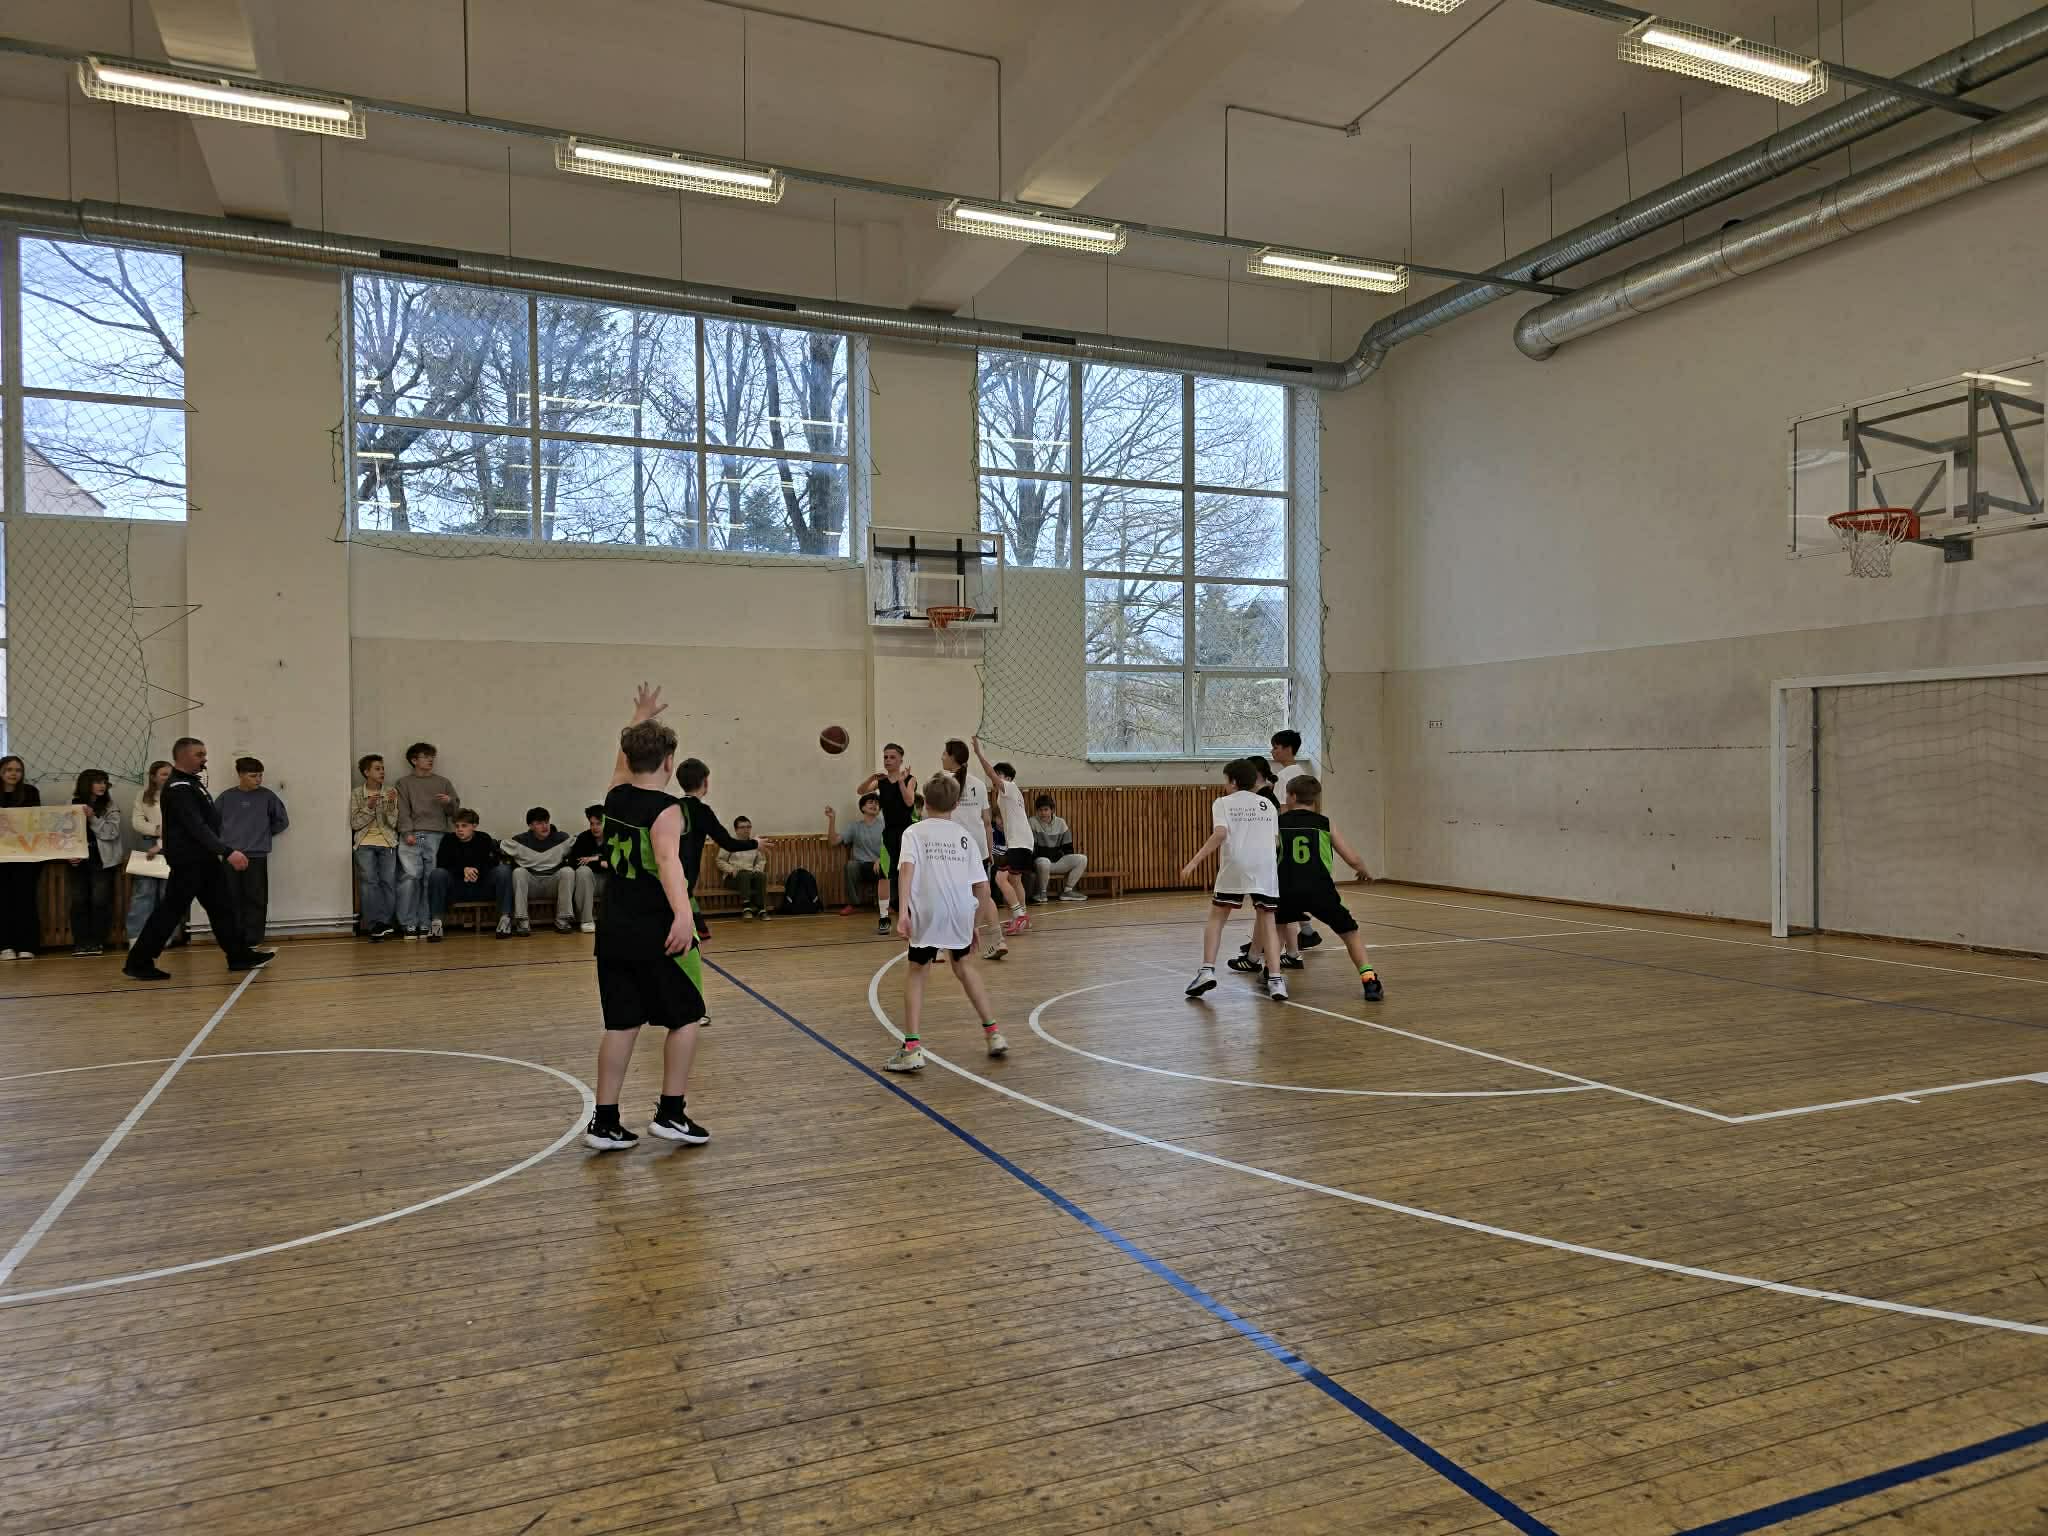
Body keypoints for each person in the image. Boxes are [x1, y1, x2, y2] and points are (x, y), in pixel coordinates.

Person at [583, 683, 710, 1151]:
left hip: (613, 925)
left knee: (621, 1023)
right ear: (670, 763)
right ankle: (671, 1114)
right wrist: (683, 915)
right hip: (655, 927)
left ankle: (604, 1123)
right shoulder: (668, 809)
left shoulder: (614, 797)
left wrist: (639, 715)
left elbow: (622, 760)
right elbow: (669, 862)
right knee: (687, 1016)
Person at [884, 771, 1008, 1072]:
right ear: (955, 806)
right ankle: (993, 1033)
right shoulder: (965, 837)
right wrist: (973, 923)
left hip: (928, 910)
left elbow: (906, 871)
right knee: (964, 966)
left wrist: (903, 913)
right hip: (960, 910)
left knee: (917, 971)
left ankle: (911, 1048)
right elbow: (983, 888)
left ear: (924, 804)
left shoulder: (914, 833)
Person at [123, 736, 275, 981]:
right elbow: (195, 826)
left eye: (204, 754)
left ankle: (239, 955)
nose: (204, 759)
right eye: (199, 754)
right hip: (189, 861)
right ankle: (138, 962)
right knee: (171, 911)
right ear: (182, 756)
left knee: (222, 907)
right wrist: (227, 851)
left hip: (204, 859)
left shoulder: (191, 783)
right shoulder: (179, 787)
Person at [1180, 757, 1285, 1003]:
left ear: (1234, 782)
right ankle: (1276, 980)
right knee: (1268, 921)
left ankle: (1206, 971)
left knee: (1217, 918)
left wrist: (1193, 862)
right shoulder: (1268, 805)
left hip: (1236, 865)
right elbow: (1275, 841)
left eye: (1226, 780)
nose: (1225, 785)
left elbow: (1220, 834)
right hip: (1264, 867)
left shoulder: (1222, 803)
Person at [1272, 775, 1383, 1001]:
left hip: (1286, 887)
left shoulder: (1279, 823)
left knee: (1278, 929)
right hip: (1319, 889)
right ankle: (1369, 979)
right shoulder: (1324, 823)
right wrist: (1363, 870)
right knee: (1349, 932)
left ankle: (1271, 975)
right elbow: (1351, 857)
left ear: (1292, 796)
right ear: (1315, 798)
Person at [677, 758, 758, 941]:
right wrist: (755, 843)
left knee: (685, 899)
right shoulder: (702, 811)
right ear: (705, 782)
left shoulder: (672, 806)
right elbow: (728, 843)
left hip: (668, 869)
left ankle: (700, 931)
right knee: (684, 899)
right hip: (686, 871)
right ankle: (696, 933)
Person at [940, 738, 1006, 961]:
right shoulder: (978, 784)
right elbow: (986, 822)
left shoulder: (943, 782)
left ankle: (941, 946)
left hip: (954, 847)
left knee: (947, 894)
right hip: (978, 848)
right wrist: (989, 851)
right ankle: (998, 940)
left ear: (952, 757)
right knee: (984, 894)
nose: (941, 757)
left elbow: (938, 818)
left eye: (944, 753)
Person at [217, 757, 289, 946]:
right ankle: (234, 938)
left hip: (256, 855)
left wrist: (263, 835)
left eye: (260, 775)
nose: (258, 779)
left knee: (256, 898)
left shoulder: (267, 796)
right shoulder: (226, 797)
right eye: (253, 776)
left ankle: (254, 939)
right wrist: (223, 844)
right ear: (240, 775)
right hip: (231, 856)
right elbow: (212, 822)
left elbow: (282, 821)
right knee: (231, 897)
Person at [396, 742, 459, 940]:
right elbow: (402, 810)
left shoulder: (443, 782)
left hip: (438, 834)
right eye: (426, 756)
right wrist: (406, 832)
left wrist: (449, 802)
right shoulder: (404, 783)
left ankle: (426, 922)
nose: (430, 760)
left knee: (431, 879)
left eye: (432, 756)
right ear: (414, 760)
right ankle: (408, 922)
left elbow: (455, 812)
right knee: (410, 877)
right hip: (413, 834)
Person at [971, 736, 1033, 935]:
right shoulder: (1007, 793)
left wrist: (979, 753)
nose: (994, 778)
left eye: (998, 775)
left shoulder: (1009, 787)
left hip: (1019, 842)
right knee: (1015, 881)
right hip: (1022, 841)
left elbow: (989, 773)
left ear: (1007, 777)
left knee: (1000, 878)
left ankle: (1019, 916)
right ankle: (1024, 917)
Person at [1269, 730, 1322, 950]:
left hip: (1288, 837)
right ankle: (1307, 932)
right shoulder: (1302, 773)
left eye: (1276, 747)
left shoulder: (1284, 777)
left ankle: (1268, 942)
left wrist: (1277, 838)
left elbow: (1283, 810)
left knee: (1280, 890)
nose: (1272, 751)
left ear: (1288, 749)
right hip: (1304, 836)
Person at [858, 743, 917, 937]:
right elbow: (860, 790)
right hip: (889, 833)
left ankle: (912, 914)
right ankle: (884, 917)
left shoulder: (910, 779)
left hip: (908, 834)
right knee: (884, 875)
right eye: (885, 757)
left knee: (909, 875)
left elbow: (909, 801)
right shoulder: (881, 782)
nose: (888, 760)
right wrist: (871, 778)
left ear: (900, 760)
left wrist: (900, 783)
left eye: (892, 757)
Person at [427, 809, 511, 941]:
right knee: (437, 874)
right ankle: (436, 923)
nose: (460, 829)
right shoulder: (448, 840)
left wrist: (475, 870)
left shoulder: (484, 838)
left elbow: (492, 862)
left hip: (482, 886)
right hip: (457, 887)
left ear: (474, 826)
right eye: (457, 826)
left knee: (503, 870)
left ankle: (505, 919)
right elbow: (442, 863)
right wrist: (463, 870)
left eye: (464, 826)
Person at [503, 806, 583, 935]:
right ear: (530, 826)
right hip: (532, 884)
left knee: (568, 871)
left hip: (553, 883)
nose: (545, 826)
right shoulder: (521, 840)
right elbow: (500, 847)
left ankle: (562, 921)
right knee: (519, 872)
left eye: (546, 822)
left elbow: (579, 845)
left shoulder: (561, 838)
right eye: (539, 823)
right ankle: (522, 922)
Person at [67, 768, 121, 957]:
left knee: (100, 900)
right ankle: (80, 943)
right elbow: (63, 834)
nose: (102, 786)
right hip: (78, 860)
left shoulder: (109, 805)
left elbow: (111, 833)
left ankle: (97, 942)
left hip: (101, 859)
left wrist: (92, 817)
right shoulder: (72, 803)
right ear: (86, 784)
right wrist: (69, 854)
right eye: (98, 782)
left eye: (104, 782)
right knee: (78, 900)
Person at [126, 759, 179, 950]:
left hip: (173, 845)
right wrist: (157, 830)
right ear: (153, 777)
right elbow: (137, 822)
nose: (168, 777)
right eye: (164, 774)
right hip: (147, 844)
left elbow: (178, 823)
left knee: (168, 893)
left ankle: (165, 935)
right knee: (144, 891)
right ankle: (137, 934)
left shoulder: (178, 794)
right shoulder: (143, 795)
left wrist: (161, 842)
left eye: (170, 774)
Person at [351, 753, 401, 940]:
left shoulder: (390, 791)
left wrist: (390, 804)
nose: (382, 772)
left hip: (387, 842)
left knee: (388, 881)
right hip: (365, 843)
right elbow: (355, 823)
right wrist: (369, 807)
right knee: (369, 883)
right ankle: (374, 925)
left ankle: (385, 923)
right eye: (377, 769)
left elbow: (393, 823)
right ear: (366, 772)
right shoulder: (357, 793)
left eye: (383, 768)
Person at [0, 755, 42, 960]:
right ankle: (5, 946)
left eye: (17, 770)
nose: (13, 773)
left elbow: (37, 820)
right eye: (9, 769)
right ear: (1, 772)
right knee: (3, 900)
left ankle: (27, 945)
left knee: (25, 899)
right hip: (1, 856)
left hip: (25, 855)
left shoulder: (30, 792)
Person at [827, 793, 885, 915]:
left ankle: (886, 904)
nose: (874, 805)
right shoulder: (854, 827)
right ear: (863, 807)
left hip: (880, 865)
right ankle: (853, 904)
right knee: (851, 866)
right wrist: (832, 819)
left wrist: (881, 859)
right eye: (870, 802)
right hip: (862, 866)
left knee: (889, 865)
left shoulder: (885, 826)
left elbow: (892, 847)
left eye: (876, 803)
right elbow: (833, 842)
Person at [1029, 795, 1089, 903]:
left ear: (1052, 810)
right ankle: (1042, 893)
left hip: (1057, 862)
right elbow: (1032, 848)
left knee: (1082, 859)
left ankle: (1068, 891)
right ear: (1037, 811)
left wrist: (1062, 857)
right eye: (1040, 810)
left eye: (1046, 809)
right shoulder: (1032, 822)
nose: (1043, 813)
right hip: (1040, 863)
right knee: (1044, 862)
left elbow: (1068, 848)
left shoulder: (1061, 822)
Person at [562, 804, 606, 933]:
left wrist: (595, 859)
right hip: (588, 882)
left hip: (608, 879)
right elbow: (577, 862)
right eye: (592, 824)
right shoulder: (583, 838)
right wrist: (601, 862)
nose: (595, 827)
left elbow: (618, 861)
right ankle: (586, 920)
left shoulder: (615, 837)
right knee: (582, 871)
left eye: (598, 824)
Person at [717, 818, 771, 920]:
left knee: (761, 875)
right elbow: (720, 860)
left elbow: (761, 860)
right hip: (733, 877)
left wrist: (757, 869)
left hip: (751, 875)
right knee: (744, 874)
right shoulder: (729, 843)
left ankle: (762, 909)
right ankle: (747, 908)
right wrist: (731, 870)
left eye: (748, 827)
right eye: (742, 827)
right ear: (736, 830)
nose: (746, 830)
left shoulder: (755, 843)